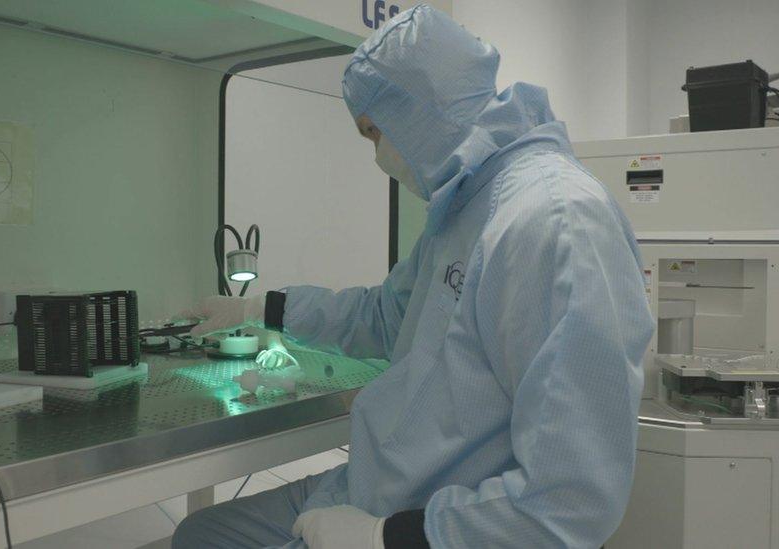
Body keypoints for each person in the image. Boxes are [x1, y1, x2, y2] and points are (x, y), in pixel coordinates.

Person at [173, 5, 654, 548]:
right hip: (378, 484)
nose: (378, 154)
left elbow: (570, 501)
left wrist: (388, 537)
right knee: (202, 532)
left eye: (374, 133)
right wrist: (260, 309)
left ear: (420, 111)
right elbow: (388, 313)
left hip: (433, 518)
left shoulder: (553, 221)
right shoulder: (465, 208)